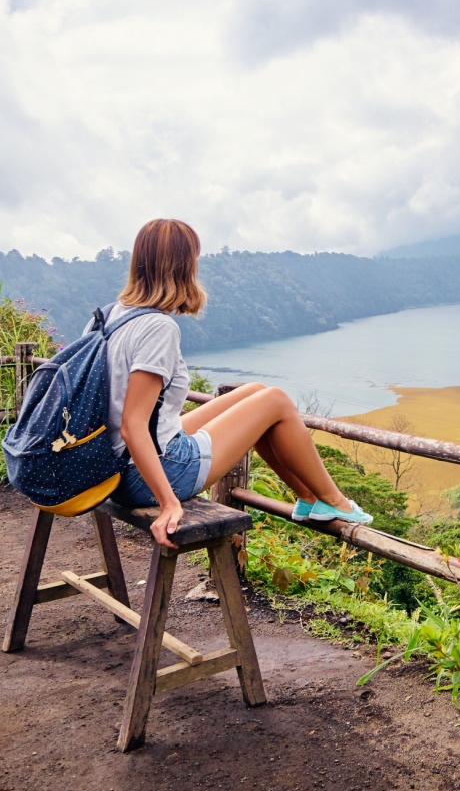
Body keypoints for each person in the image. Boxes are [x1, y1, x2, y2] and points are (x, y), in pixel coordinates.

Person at [106, 218, 370, 548]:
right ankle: (336, 501)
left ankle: (308, 497)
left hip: (116, 464)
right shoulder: (158, 328)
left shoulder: (110, 316)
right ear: (183, 266)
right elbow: (133, 424)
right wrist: (169, 502)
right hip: (150, 475)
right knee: (276, 399)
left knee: (256, 394)